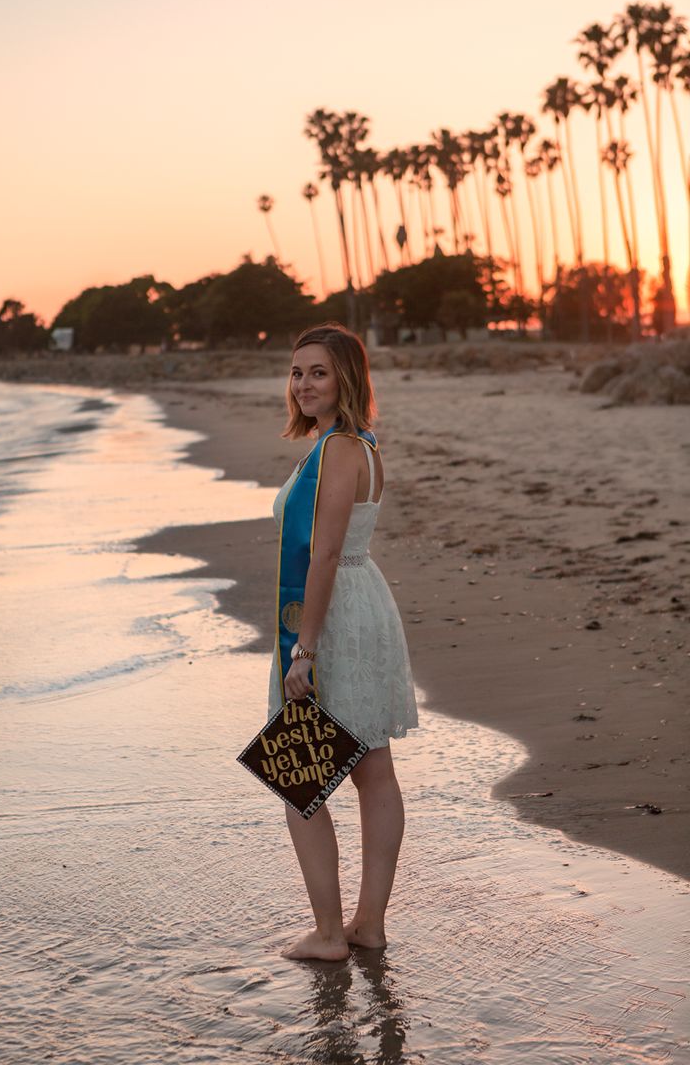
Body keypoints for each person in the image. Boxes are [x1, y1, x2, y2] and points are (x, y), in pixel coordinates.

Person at [268, 321, 419, 962]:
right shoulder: (359, 446)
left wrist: (304, 650)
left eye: (318, 372)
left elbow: (323, 554)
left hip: (332, 619)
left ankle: (331, 933)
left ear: (346, 379)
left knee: (300, 777)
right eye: (298, 372)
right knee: (372, 771)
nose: (304, 383)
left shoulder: (336, 453)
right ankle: (368, 925)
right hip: (363, 606)